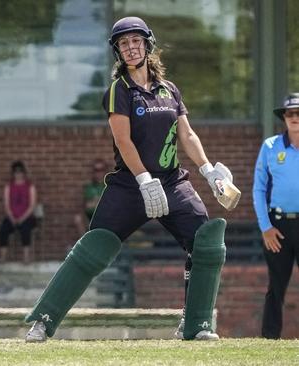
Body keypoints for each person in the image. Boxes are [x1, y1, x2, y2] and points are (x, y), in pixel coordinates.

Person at [24, 16, 236, 342]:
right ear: (118, 52)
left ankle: (196, 325)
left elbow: (187, 134)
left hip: (173, 182)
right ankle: (43, 320)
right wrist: (144, 179)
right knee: (94, 246)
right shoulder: (118, 91)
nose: (131, 47)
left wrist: (208, 171)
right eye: (124, 44)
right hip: (130, 185)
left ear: (147, 44)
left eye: (136, 41)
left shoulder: (170, 91)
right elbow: (123, 140)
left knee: (206, 242)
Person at [253, 93, 299, 339]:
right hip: (277, 227)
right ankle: (270, 339)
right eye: (290, 114)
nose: (295, 118)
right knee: (276, 286)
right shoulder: (270, 147)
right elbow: (259, 188)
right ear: (284, 117)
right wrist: (265, 227)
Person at [0, 160, 38, 263]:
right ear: (13, 173)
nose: (18, 174)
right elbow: (6, 205)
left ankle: (26, 257)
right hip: (12, 217)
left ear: (23, 173)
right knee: (3, 229)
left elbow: (32, 206)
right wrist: (12, 218)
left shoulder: (30, 186)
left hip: (27, 217)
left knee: (26, 229)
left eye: (20, 171)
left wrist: (22, 218)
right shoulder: (8, 187)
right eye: (16, 172)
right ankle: (3, 257)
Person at [73, 159, 108, 236]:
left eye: (101, 170)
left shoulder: (109, 185)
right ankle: (86, 243)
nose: (99, 172)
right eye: (96, 170)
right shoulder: (89, 187)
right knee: (78, 218)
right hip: (90, 217)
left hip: (105, 216)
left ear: (105, 170)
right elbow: (88, 206)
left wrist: (96, 202)